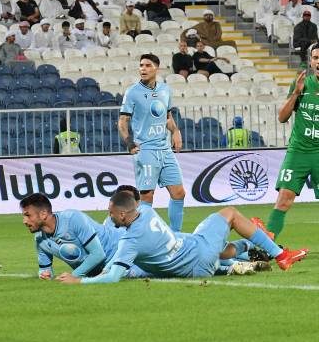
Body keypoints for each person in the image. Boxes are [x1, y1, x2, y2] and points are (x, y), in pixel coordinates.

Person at [57, 191, 308, 284]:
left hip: (199, 269)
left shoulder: (129, 242)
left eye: (111, 213)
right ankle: (270, 248)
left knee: (223, 232)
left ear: (122, 214)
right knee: (228, 215)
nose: (108, 216)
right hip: (196, 249)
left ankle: (265, 249)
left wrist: (79, 281)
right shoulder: (146, 209)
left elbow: (113, 276)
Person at [118, 53, 185, 232]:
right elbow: (122, 121)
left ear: (157, 68)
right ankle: (143, 236)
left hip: (164, 149)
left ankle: (175, 235)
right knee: (147, 197)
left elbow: (167, 117)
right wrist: (129, 141)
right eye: (141, 65)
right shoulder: (133, 92)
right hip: (145, 149)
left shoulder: (165, 90)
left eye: (147, 65)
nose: (143, 69)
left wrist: (176, 131)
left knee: (179, 193)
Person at [267, 45, 319, 239]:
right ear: (311, 61)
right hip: (299, 152)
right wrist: (296, 93)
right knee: (284, 200)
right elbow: (281, 117)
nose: (318, 61)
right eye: (315, 58)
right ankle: (266, 248)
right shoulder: (302, 84)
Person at [20, 193, 129, 280]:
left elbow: (98, 254)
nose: (24, 221)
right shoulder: (40, 240)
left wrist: (74, 275)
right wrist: (45, 275)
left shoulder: (72, 219)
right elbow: (44, 269)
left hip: (123, 249)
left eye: (28, 215)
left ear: (43, 214)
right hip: (101, 271)